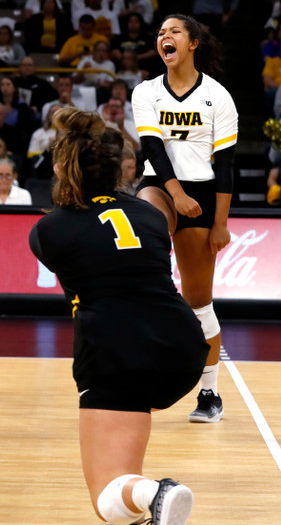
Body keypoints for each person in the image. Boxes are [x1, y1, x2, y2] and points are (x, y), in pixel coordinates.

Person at [30, 107, 207, 525]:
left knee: (109, 495)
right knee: (128, 497)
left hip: (115, 353)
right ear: (117, 170)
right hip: (183, 349)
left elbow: (78, 250)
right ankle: (152, 504)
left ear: (61, 167)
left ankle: (155, 491)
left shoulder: (48, 231)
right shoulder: (151, 216)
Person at [133, 14, 238, 424]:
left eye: (174, 31)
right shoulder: (146, 91)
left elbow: (227, 165)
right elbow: (152, 148)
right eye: (160, 33)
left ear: (193, 43)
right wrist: (175, 195)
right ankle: (150, 320)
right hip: (161, 185)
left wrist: (221, 222)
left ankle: (209, 393)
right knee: (146, 222)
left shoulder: (218, 96)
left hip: (204, 194)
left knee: (200, 303)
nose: (165, 37)